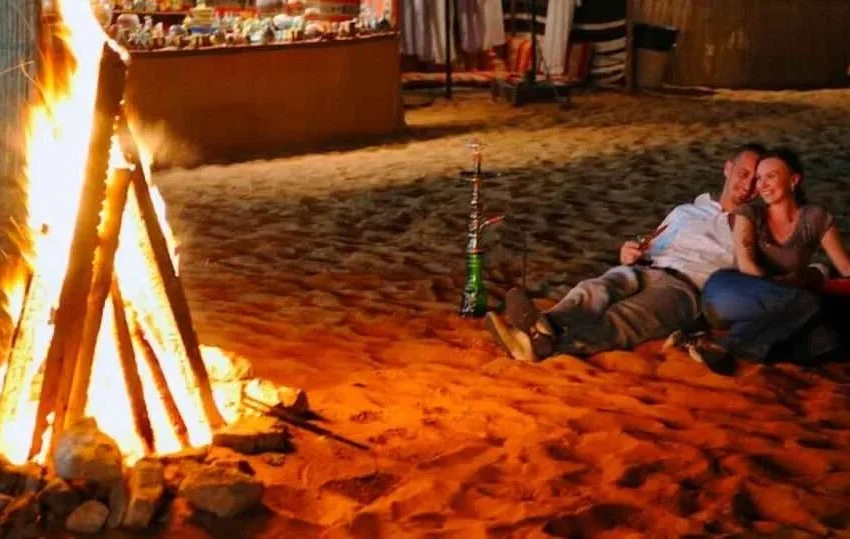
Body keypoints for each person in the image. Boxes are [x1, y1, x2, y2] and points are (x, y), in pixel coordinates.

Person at [486, 143, 767, 363]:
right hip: (647, 268)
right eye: (743, 174)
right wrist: (630, 251)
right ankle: (542, 327)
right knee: (595, 289)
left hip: (687, 288)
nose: (747, 185)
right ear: (728, 168)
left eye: (756, 181)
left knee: (625, 318)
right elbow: (650, 243)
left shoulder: (752, 225)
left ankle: (552, 347)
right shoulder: (687, 211)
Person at [691, 148, 850, 371]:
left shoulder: (816, 218)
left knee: (829, 340)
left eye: (771, 176)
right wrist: (795, 286)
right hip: (730, 293)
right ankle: (728, 346)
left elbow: (845, 267)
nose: (762, 185)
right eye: (759, 179)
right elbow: (747, 265)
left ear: (794, 180)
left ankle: (755, 350)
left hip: (782, 306)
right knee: (809, 303)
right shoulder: (749, 213)